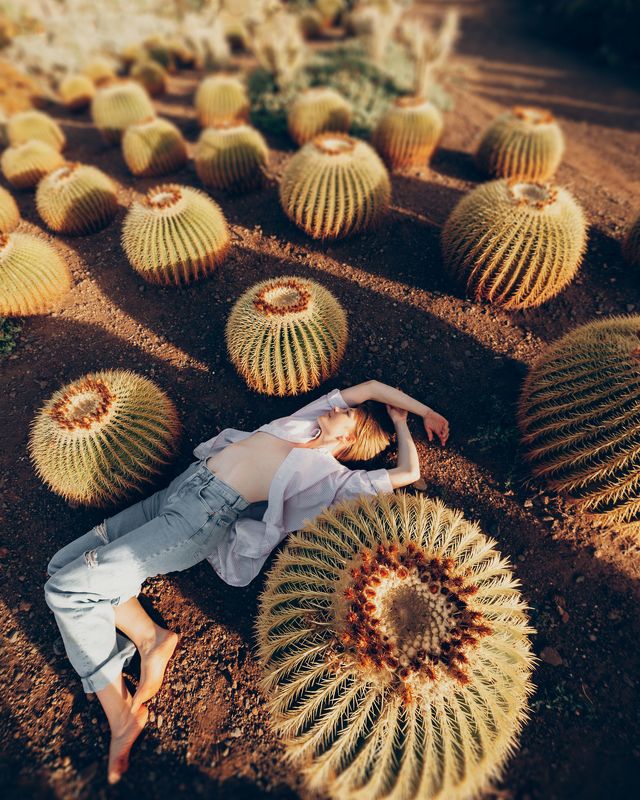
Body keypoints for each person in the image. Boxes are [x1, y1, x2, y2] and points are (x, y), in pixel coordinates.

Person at [44, 379, 449, 784]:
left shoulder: (332, 479)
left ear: (349, 438)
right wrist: (423, 410)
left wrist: (402, 425)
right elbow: (370, 388)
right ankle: (152, 639)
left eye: (347, 413)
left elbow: (408, 472)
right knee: (61, 565)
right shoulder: (303, 423)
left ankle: (121, 717)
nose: (339, 405)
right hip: (178, 491)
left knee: (66, 590)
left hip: (196, 520)